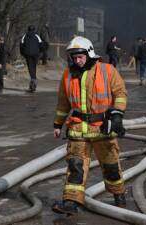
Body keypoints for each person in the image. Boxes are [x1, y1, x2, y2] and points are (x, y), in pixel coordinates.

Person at [52, 36, 128, 215]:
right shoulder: (67, 75)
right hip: (78, 129)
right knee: (75, 166)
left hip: (103, 128)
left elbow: (120, 93)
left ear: (89, 54)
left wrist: (116, 116)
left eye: (80, 56)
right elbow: (63, 103)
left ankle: (119, 194)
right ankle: (71, 202)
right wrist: (58, 124)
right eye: (74, 57)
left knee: (111, 166)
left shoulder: (107, 70)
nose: (77, 61)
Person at [20, 25, 43, 93]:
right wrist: (40, 52)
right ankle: (33, 82)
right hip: (36, 54)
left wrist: (23, 53)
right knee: (34, 67)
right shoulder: (37, 36)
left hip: (28, 54)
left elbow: (21, 45)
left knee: (30, 68)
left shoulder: (25, 36)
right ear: (34, 29)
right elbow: (41, 44)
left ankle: (33, 82)